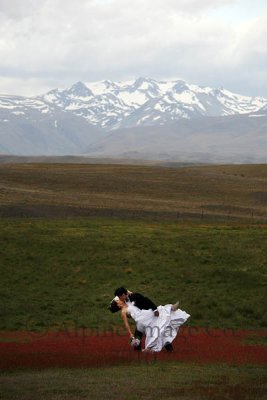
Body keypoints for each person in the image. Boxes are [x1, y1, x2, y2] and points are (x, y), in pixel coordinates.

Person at [109, 287, 190, 352]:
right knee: (156, 329)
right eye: (118, 299)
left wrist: (154, 309)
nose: (118, 299)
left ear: (123, 294)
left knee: (158, 325)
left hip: (147, 315)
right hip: (142, 320)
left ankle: (169, 308)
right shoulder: (123, 305)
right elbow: (115, 304)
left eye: (119, 297)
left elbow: (146, 300)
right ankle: (169, 308)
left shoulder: (133, 296)